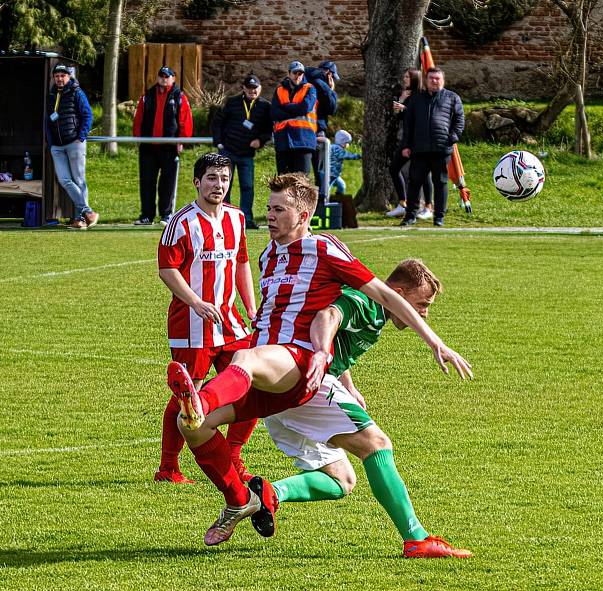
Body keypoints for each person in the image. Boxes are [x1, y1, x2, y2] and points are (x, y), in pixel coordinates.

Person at [164, 173, 473, 546]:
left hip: (290, 370)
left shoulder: (323, 247)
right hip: (287, 371)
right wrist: (326, 356)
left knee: (349, 463)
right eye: (268, 208)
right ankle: (241, 498)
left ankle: (218, 424)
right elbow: (329, 317)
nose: (270, 216)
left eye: (280, 209)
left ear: (304, 214)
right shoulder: (269, 255)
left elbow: (367, 299)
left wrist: (434, 342)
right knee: (193, 426)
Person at [260, 259, 472, 558]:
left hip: (284, 392)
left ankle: (266, 494)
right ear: (397, 293)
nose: (422, 313)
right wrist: (321, 355)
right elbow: (330, 315)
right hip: (308, 381)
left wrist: (348, 384)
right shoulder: (365, 302)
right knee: (377, 445)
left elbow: (340, 341)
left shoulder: (373, 311)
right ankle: (417, 539)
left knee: (341, 480)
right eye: (421, 304)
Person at [155, 153, 259, 485]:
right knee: (188, 397)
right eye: (211, 178)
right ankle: (168, 467)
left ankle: (232, 455)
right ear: (197, 182)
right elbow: (167, 269)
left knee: (252, 387)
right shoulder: (180, 222)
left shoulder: (237, 218)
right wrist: (196, 301)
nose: (219, 185)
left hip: (230, 322)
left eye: (224, 179)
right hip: (191, 323)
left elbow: (241, 264)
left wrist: (252, 308)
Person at [400, 67, 464, 227]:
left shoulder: (452, 98)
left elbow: (459, 120)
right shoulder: (416, 99)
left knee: (441, 183)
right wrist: (406, 145)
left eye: (437, 78)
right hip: (419, 149)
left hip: (441, 150)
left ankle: (439, 218)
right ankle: (410, 216)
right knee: (414, 183)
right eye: (431, 78)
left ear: (443, 80)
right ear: (426, 80)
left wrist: (452, 138)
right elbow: (408, 123)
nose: (434, 81)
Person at [133, 66, 193, 226]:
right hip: (148, 147)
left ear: (173, 78)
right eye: (161, 76)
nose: (163, 79)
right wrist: (138, 137)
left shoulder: (180, 97)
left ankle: (166, 215)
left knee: (168, 182)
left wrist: (182, 140)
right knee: (147, 181)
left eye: (167, 76)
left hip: (169, 147)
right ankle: (146, 215)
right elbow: (139, 117)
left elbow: (185, 120)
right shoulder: (147, 95)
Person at [212, 74, 272, 230]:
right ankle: (223, 218)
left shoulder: (265, 106)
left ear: (260, 88)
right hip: (228, 151)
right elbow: (218, 121)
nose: (253, 91)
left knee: (247, 186)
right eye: (250, 88)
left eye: (255, 88)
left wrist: (260, 140)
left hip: (247, 154)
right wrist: (218, 142)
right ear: (244, 88)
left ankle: (246, 219)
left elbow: (268, 129)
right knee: (225, 185)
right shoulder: (232, 103)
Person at [45, 63, 98, 230]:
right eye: (57, 76)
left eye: (63, 75)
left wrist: (81, 137)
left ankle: (79, 219)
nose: (59, 79)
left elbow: (87, 114)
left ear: (68, 76)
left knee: (79, 181)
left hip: (74, 143)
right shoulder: (52, 94)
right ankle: (88, 212)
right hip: (57, 147)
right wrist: (51, 141)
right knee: (65, 180)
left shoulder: (76, 91)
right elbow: (48, 119)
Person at [386, 68, 432, 220]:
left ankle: (428, 207)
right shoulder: (406, 94)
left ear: (415, 79)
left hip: (420, 140)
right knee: (394, 168)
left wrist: (405, 108)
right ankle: (402, 204)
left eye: (407, 77)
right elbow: (400, 118)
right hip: (407, 140)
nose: (404, 79)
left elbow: (420, 117)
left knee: (424, 173)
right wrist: (401, 100)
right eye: (404, 76)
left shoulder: (422, 96)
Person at [271, 61, 318, 175]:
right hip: (283, 141)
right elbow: (274, 113)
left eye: (300, 73)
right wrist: (294, 111)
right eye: (295, 73)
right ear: (289, 74)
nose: (298, 76)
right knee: (284, 181)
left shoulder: (310, 88)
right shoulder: (279, 90)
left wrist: (285, 106)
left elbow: (305, 107)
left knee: (301, 182)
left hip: (303, 140)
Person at [304, 61, 339, 196]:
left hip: (303, 130)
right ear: (329, 73)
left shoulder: (306, 79)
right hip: (317, 130)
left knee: (303, 171)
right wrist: (331, 89)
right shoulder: (321, 84)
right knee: (321, 170)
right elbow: (332, 108)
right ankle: (321, 203)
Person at [328, 130, 360, 195]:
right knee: (327, 189)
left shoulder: (332, 146)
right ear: (342, 141)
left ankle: (337, 199)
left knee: (342, 186)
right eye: (347, 142)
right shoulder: (338, 149)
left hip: (335, 175)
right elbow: (347, 155)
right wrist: (359, 156)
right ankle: (323, 201)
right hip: (331, 174)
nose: (348, 145)